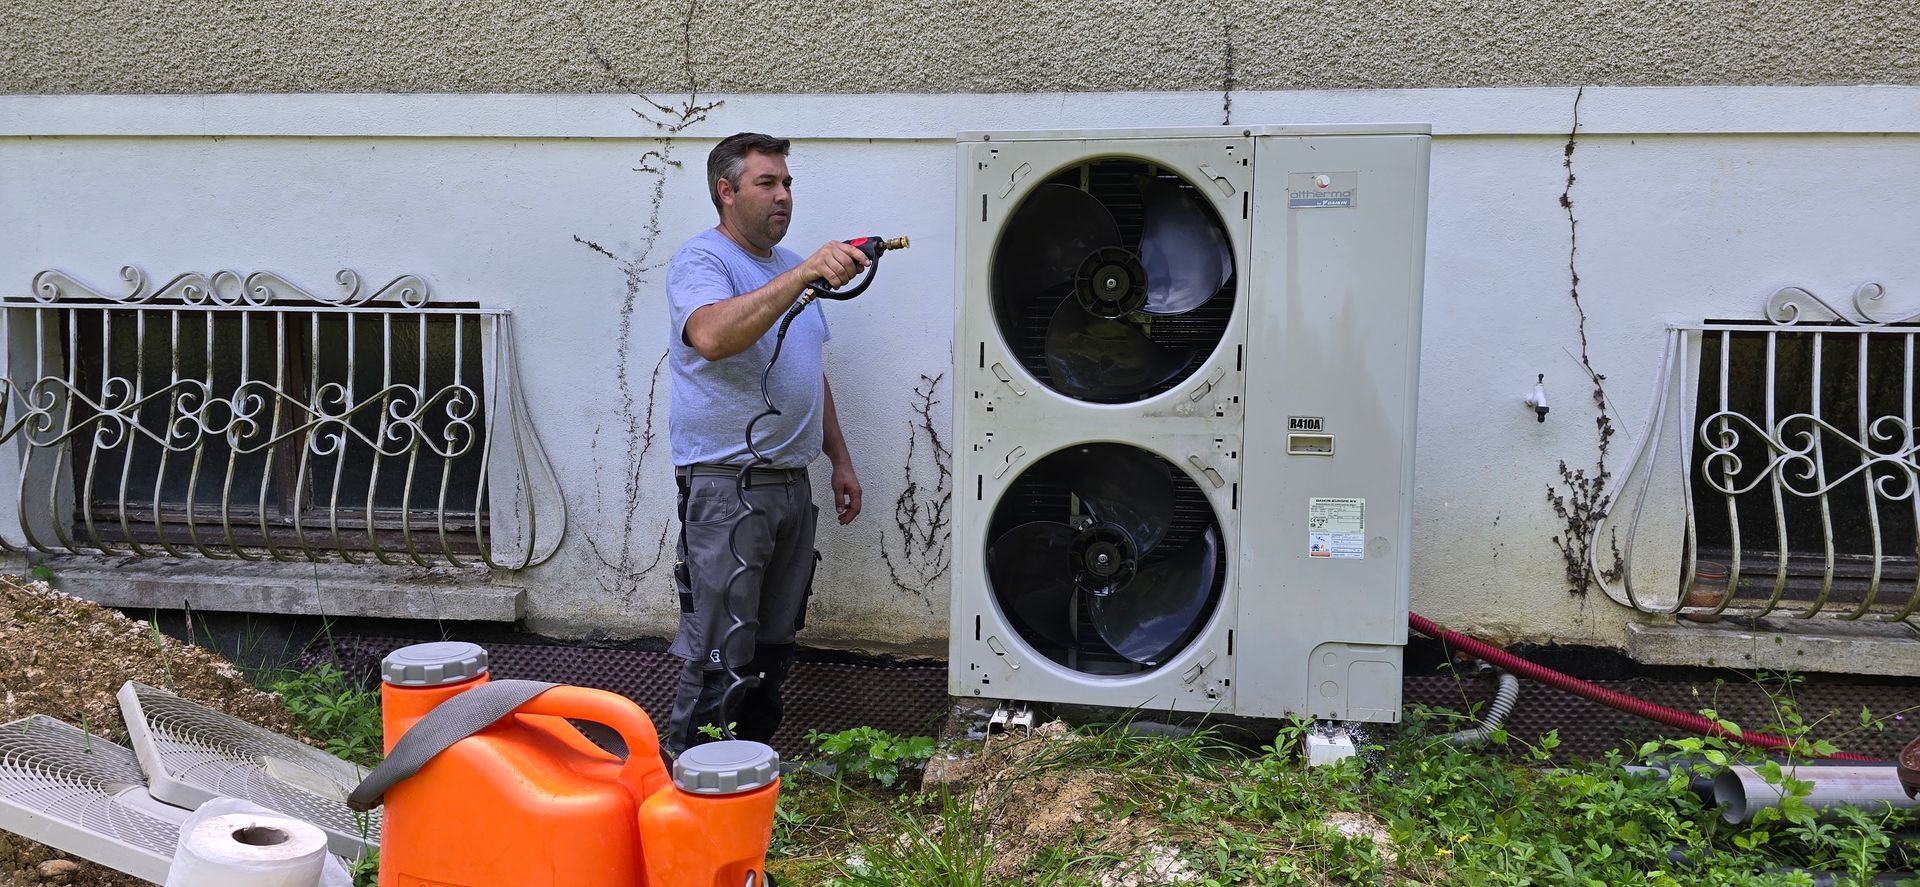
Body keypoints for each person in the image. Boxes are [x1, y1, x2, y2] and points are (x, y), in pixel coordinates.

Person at [660, 132, 867, 757]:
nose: (784, 196)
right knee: (721, 651)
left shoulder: (788, 265)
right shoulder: (703, 262)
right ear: (726, 192)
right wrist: (802, 274)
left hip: (790, 485)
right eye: (767, 183)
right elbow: (711, 336)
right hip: (728, 487)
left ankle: (746, 776)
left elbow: (807, 372)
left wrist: (839, 458)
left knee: (773, 648)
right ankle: (686, 781)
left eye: (788, 184)